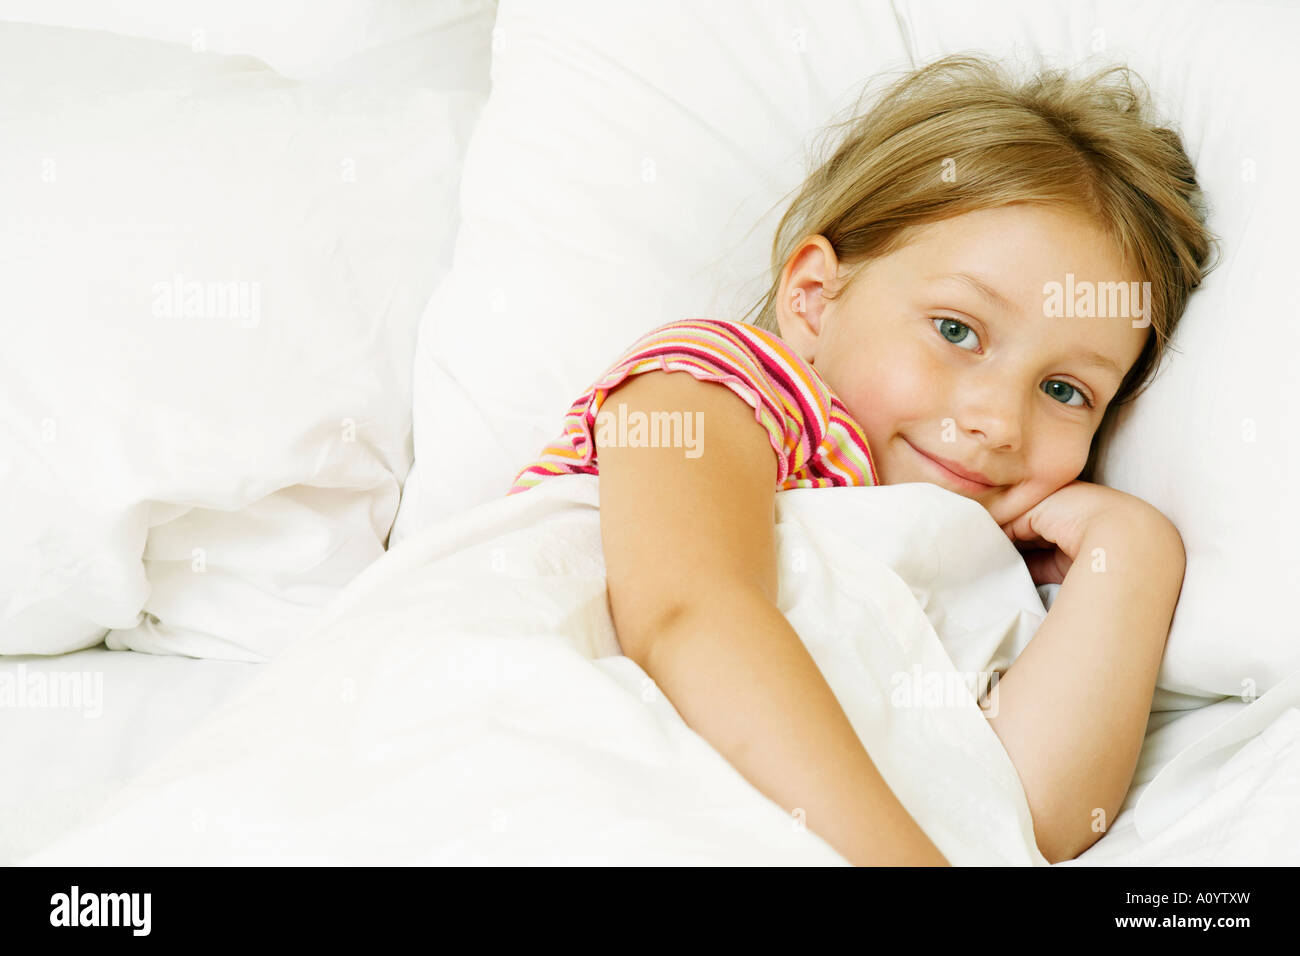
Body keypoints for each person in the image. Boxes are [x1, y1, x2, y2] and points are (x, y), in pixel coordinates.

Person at [508, 54, 1215, 866]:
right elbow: (688, 615)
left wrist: (1133, 558)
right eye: (957, 330)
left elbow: (1028, 816)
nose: (996, 420)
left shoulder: (991, 567)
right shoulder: (721, 385)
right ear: (812, 298)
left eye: (1063, 389)